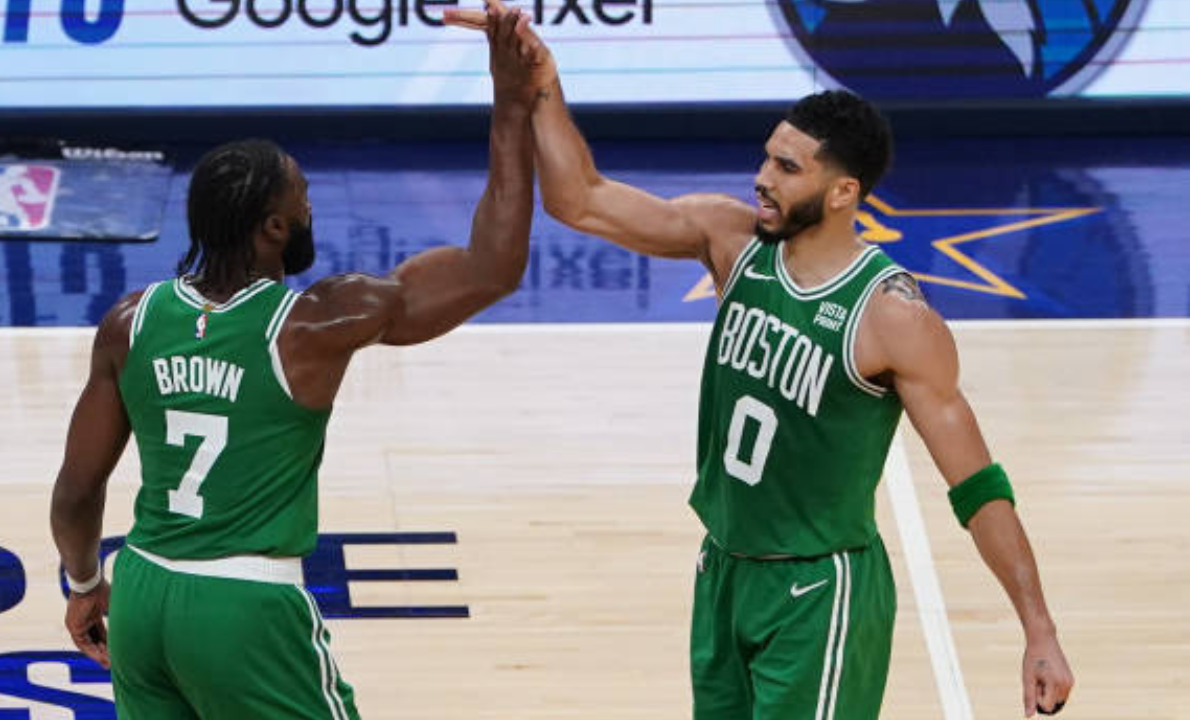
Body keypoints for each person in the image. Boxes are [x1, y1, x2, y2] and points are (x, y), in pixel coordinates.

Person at [444, 4, 1074, 718]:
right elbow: (579, 201)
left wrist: (1039, 630)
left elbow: (976, 485)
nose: (762, 178)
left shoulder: (891, 317)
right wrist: (543, 84)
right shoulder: (731, 240)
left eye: (787, 168)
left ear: (843, 193)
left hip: (818, 593)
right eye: (768, 157)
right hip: (723, 571)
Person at [48, 7, 536, 718]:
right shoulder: (313, 323)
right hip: (245, 604)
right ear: (275, 226)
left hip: (145, 591)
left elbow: (75, 489)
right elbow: (493, 267)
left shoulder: (130, 321)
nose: (311, 207)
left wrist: (85, 582)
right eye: (303, 197)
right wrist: (512, 102)